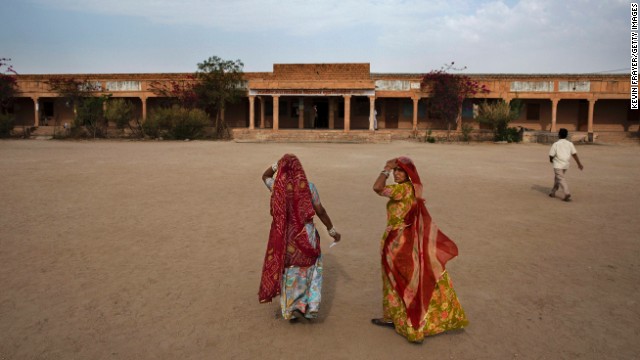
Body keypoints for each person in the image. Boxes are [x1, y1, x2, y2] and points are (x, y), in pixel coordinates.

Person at [372, 156, 468, 343]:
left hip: (398, 244)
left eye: (401, 171)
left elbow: (377, 187)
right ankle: (395, 316)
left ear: (409, 175)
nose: (396, 174)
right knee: (403, 280)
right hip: (405, 241)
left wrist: (385, 168)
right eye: (395, 171)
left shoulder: (402, 190)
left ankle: (409, 321)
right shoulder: (414, 189)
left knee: (399, 281)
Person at [259, 154, 341, 322]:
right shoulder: (309, 187)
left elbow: (264, 176)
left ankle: (291, 308)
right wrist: (331, 230)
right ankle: (309, 307)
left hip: (286, 236)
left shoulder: (277, 187)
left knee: (290, 269)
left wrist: (276, 164)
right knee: (310, 268)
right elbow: (321, 211)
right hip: (306, 234)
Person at [549, 128, 584, 202]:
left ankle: (567, 193)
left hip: (558, 165)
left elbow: (551, 155)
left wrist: (551, 160)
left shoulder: (556, 144)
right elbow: (574, 154)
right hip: (565, 165)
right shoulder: (570, 144)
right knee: (557, 178)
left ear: (559, 135)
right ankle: (553, 192)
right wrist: (579, 164)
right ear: (566, 135)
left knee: (560, 179)